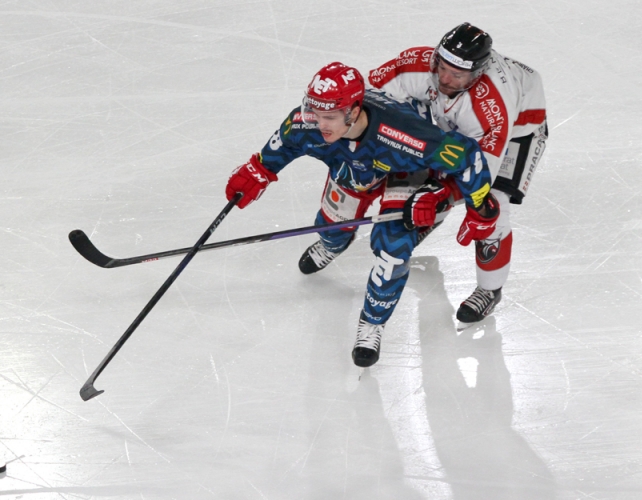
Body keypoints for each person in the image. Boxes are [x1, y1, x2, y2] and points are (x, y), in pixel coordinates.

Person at [224, 61, 498, 368]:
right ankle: (331, 244)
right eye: (314, 112)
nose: (319, 123)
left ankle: (372, 324)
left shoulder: (407, 136)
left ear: (353, 111)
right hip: (351, 167)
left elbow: (467, 156)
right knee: (332, 228)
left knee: (392, 247)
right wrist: (259, 169)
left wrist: (478, 207)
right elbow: (284, 143)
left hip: (403, 169)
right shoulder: (309, 122)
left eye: (328, 116)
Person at [368, 22, 548, 323]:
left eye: (457, 75)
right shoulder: (419, 66)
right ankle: (426, 218)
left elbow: (480, 173)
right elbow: (367, 97)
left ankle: (489, 289)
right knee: (419, 162)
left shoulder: (492, 105)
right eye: (442, 67)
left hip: (518, 130)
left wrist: (442, 194)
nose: (444, 79)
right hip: (455, 120)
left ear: (476, 74)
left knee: (492, 204)